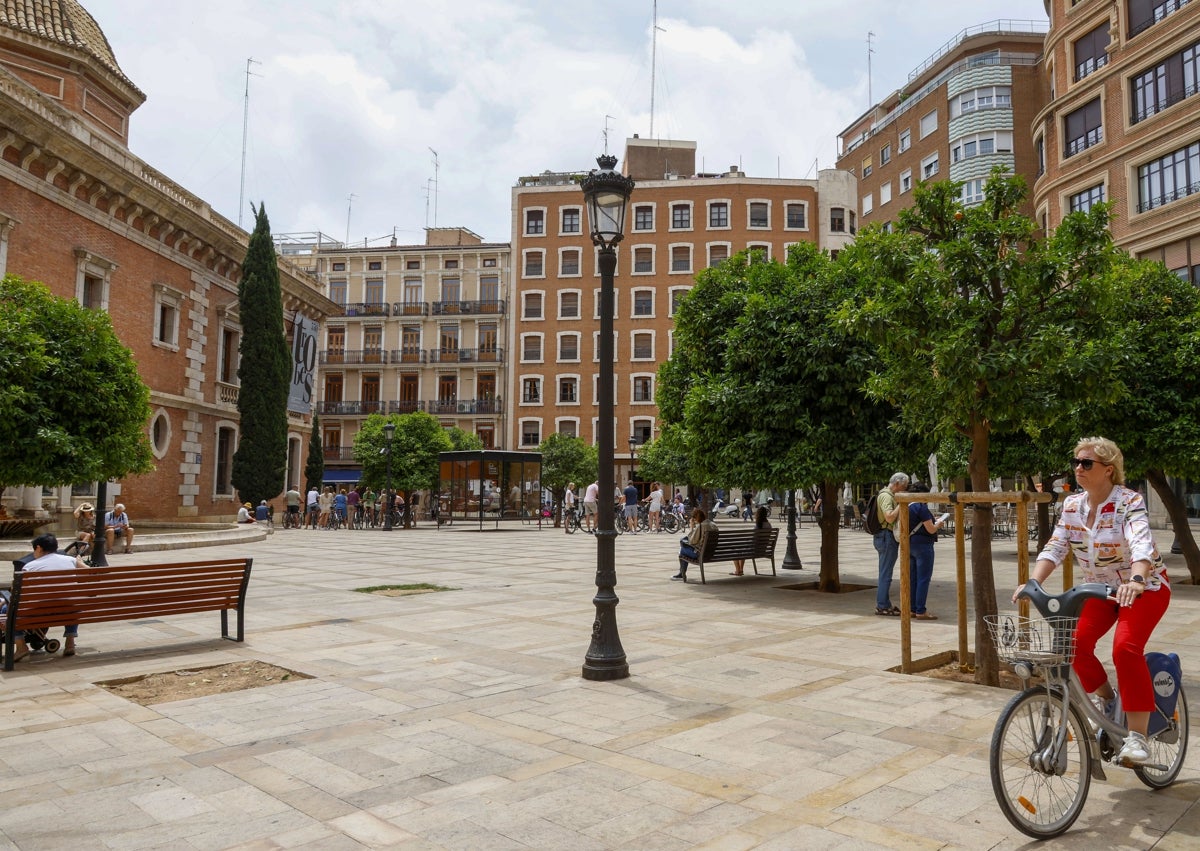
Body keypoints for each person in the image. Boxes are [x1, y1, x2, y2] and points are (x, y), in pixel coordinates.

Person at [1014, 437, 1170, 768]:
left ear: (1108, 470)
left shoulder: (1129, 501)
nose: (1078, 468)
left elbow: (1141, 542)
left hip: (1145, 588)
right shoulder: (1072, 506)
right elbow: (1056, 546)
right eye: (1076, 462)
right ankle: (1110, 701)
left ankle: (1138, 737)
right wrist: (1033, 582)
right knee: (1075, 644)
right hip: (1100, 590)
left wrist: (1138, 579)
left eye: (1087, 464)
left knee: (1124, 648)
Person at [8, 533, 85, 662]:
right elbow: (94, 574)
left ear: (38, 548)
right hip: (67, 611)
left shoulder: (29, 567)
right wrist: (80, 562)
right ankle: (70, 642)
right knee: (71, 602)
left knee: (9, 610)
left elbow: (18, 594)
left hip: (38, 613)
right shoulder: (71, 560)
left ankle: (21, 647)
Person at [907, 482, 945, 620]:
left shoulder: (908, 505)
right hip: (923, 545)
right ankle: (920, 610)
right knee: (923, 578)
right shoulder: (921, 507)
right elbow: (931, 529)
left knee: (912, 578)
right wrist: (938, 524)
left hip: (909, 544)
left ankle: (911, 608)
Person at [873, 472, 910, 616]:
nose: (904, 489)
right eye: (903, 486)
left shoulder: (887, 495)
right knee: (885, 573)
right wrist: (901, 504)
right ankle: (882, 605)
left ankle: (884, 603)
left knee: (885, 572)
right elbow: (889, 517)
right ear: (896, 484)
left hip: (885, 537)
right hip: (886, 536)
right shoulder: (886, 496)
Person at [673, 508, 717, 582]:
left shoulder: (701, 526)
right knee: (683, 546)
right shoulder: (713, 525)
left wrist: (692, 526)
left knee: (682, 550)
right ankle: (681, 573)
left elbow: (692, 541)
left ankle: (681, 574)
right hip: (711, 554)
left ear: (696, 518)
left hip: (701, 554)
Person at [732, 505, 772, 576]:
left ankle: (738, 570)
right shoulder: (769, 525)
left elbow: (753, 538)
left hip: (754, 550)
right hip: (763, 550)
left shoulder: (758, 525)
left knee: (736, 550)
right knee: (742, 549)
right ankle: (740, 570)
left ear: (758, 514)